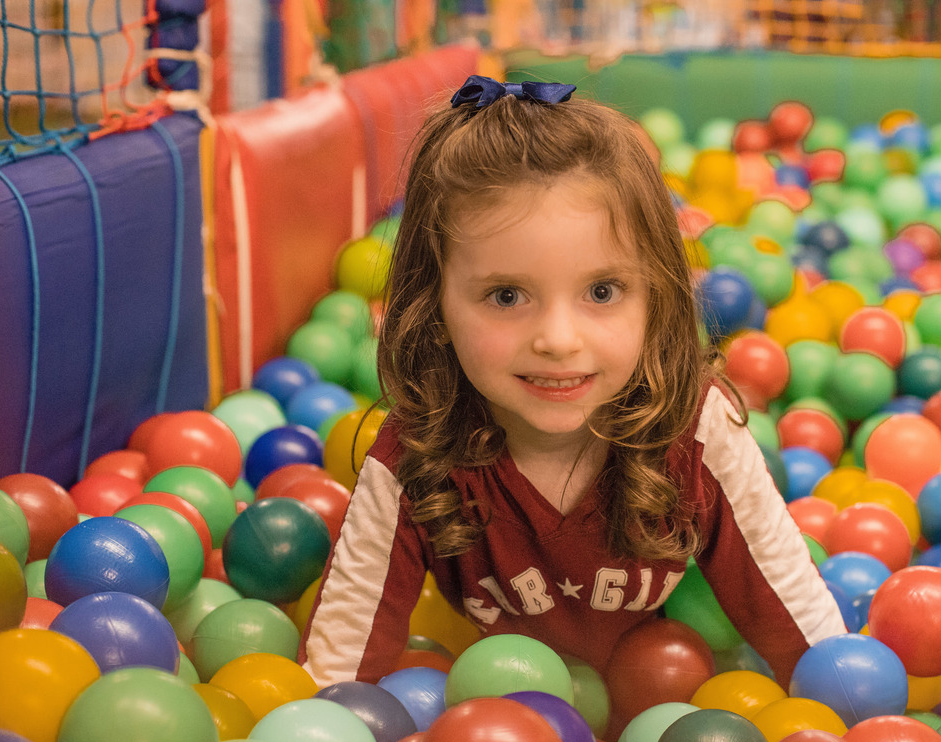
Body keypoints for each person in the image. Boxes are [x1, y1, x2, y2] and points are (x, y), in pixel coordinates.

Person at [299, 74, 847, 691]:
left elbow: (793, 610)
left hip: (666, 690)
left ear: (654, 300)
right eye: (506, 296)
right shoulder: (417, 451)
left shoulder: (694, 429)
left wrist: (852, 719)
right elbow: (336, 670)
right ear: (435, 307)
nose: (558, 339)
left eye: (602, 292)